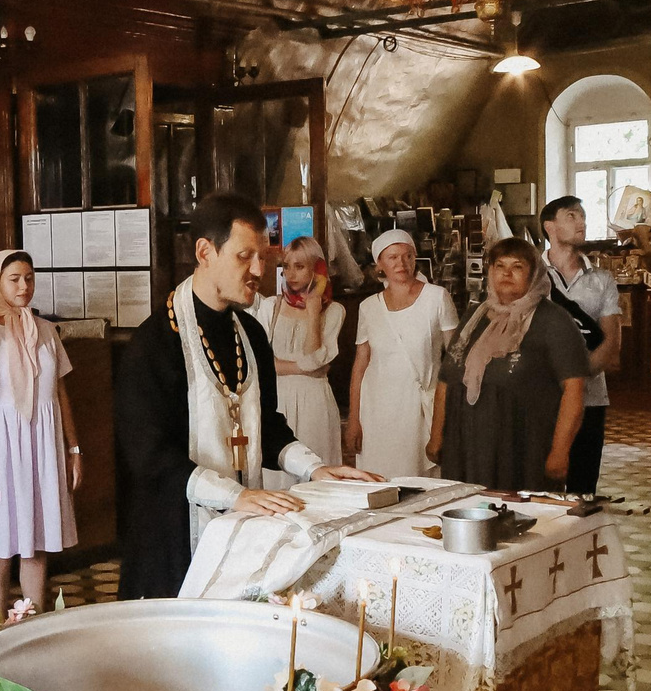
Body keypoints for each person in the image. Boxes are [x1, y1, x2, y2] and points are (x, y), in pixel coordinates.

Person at [114, 192, 379, 599]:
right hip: (169, 537)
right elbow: (149, 456)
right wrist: (236, 496)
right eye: (244, 256)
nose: (259, 269)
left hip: (240, 527)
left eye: (264, 256)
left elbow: (266, 424)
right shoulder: (153, 344)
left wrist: (315, 469)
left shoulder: (250, 334)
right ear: (205, 252)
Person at [0, 250, 80, 611]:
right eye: (14, 279)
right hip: (0, 447)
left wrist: (74, 450)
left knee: (36, 538)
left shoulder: (45, 330)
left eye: (29, 277)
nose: (24, 286)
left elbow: (59, 393)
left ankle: (34, 621)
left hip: (41, 444)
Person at [430, 237, 590, 490]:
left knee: (523, 521)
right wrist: (436, 436)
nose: (506, 274)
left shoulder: (553, 321)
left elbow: (574, 389)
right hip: (466, 447)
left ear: (534, 274)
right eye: (499, 266)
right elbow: (447, 379)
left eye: (517, 267)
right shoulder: (476, 316)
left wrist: (560, 452)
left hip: (523, 449)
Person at [344, 229, 455, 479]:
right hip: (378, 413)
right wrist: (354, 419)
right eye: (393, 257)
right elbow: (360, 365)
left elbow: (454, 359)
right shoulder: (369, 307)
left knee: (419, 483)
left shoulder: (437, 297)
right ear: (380, 264)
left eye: (407, 256)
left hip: (420, 408)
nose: (401, 263)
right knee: (380, 482)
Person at [540, 196, 625, 496]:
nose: (582, 223)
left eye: (583, 216)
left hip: (590, 398)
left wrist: (576, 378)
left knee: (583, 485)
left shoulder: (602, 280)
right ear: (549, 226)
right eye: (572, 216)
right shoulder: (531, 276)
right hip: (540, 397)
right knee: (540, 485)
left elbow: (611, 340)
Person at [251, 235, 343, 483]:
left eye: (300, 266)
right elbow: (260, 362)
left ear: (318, 269)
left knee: (316, 474)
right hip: (277, 398)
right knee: (276, 477)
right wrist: (304, 368)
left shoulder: (334, 311)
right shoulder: (270, 306)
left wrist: (313, 312)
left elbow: (317, 360)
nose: (291, 274)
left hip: (314, 403)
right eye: (287, 266)